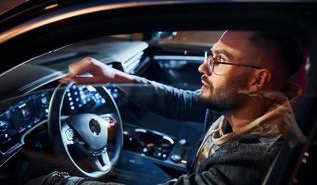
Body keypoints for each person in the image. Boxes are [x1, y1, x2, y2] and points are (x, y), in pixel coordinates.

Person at [27, 30, 307, 185]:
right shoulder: (247, 102)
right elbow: (181, 102)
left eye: (219, 60)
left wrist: (59, 182)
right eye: (210, 54)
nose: (203, 66)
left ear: (258, 79)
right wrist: (115, 77)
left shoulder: (258, 157)